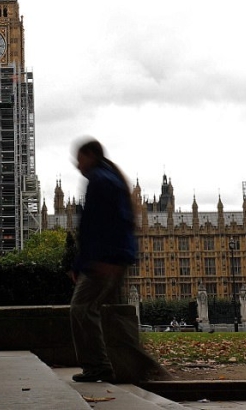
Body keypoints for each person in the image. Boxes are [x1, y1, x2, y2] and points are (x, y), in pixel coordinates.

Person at [68, 139, 138, 383]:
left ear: (90, 155)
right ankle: (131, 364)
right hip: (114, 257)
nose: (77, 165)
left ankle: (98, 367)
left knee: (82, 309)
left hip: (105, 259)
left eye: (79, 158)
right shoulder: (110, 178)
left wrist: (90, 262)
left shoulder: (101, 180)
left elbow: (96, 225)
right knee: (108, 313)